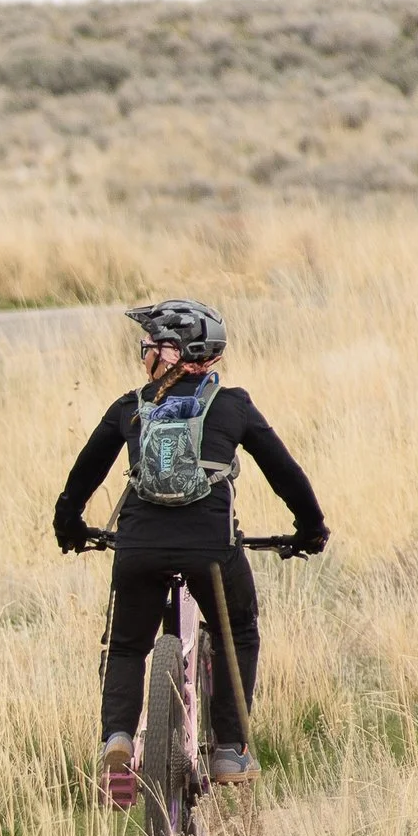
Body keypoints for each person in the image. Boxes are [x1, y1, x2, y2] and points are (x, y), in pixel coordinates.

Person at [52, 300, 327, 796]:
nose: (143, 355)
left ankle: (117, 738)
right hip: (211, 552)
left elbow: (83, 475)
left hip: (138, 549)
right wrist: (311, 529)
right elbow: (286, 474)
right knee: (236, 628)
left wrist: (69, 526)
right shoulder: (233, 405)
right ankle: (229, 748)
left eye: (150, 346)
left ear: (174, 354)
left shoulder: (129, 408)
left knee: (127, 644)